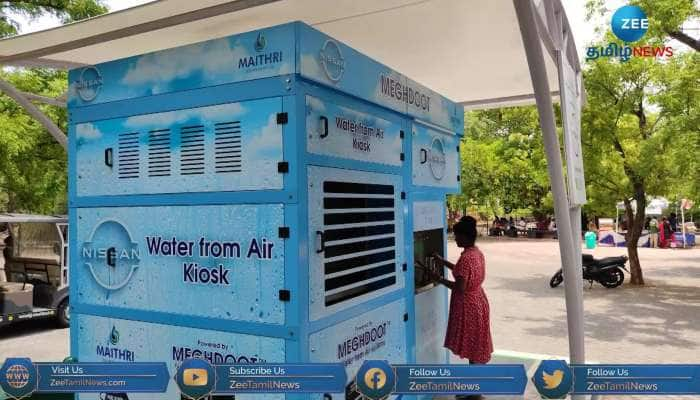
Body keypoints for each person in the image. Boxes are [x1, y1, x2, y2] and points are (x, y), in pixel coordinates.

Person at [424, 216, 493, 397]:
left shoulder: (466, 259)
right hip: (478, 302)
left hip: (468, 307)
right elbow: (461, 271)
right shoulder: (475, 253)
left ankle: (472, 390)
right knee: (475, 346)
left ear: (465, 236)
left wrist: (437, 278)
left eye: (456, 236)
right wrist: (441, 260)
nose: (455, 239)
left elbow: (460, 286)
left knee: (471, 348)